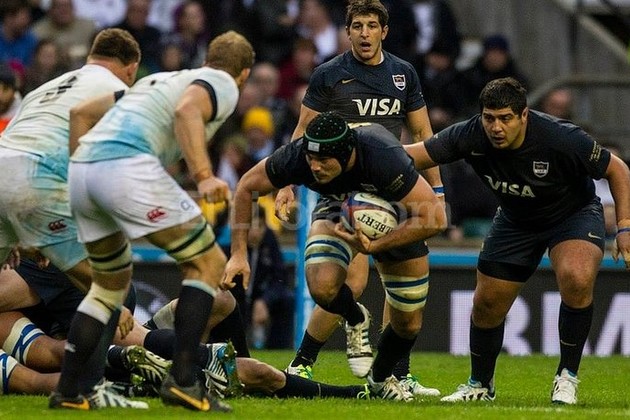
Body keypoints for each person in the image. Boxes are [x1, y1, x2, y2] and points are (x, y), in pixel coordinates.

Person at [404, 77, 630, 405]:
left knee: (577, 277)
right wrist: (366, 156)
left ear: (524, 115)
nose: (496, 127)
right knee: (486, 304)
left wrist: (624, 228)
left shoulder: (560, 137)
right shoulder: (469, 134)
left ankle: (567, 376)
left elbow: (618, 170)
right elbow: (414, 156)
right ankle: (480, 384)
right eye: (489, 118)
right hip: (516, 220)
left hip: (573, 215)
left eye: (505, 118)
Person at [66, 30, 255, 412]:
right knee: (208, 263)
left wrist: (82, 174)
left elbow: (80, 114)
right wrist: (204, 176)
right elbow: (187, 111)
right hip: (125, 165)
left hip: (82, 170)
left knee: (107, 288)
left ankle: (69, 390)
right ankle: (183, 381)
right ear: (244, 74)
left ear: (207, 59)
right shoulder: (222, 83)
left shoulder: (160, 80)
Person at [276, 0, 443, 397]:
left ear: (384, 31)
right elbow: (302, 130)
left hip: (394, 187)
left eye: (371, 25)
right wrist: (285, 183)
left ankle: (396, 375)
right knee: (346, 281)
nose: (365, 33)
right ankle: (303, 361)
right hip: (343, 192)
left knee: (401, 287)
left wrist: (436, 189)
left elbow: (423, 133)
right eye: (357, 26)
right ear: (347, 31)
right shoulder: (329, 74)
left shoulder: (403, 74)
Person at [224, 111, 446, 401]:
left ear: (347, 155)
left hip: (400, 212)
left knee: (407, 324)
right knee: (322, 287)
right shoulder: (298, 156)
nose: (315, 167)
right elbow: (246, 187)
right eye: (311, 159)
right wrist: (238, 254)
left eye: (324, 160)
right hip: (339, 207)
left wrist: (376, 246)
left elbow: (436, 218)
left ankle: (381, 379)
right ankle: (355, 317)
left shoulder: (383, 155)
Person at [0, 28, 143, 409]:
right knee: (113, 282)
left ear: (92, 57)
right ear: (131, 68)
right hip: (39, 180)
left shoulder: (44, 89)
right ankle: (85, 389)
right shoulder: (120, 92)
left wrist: (18, 231)